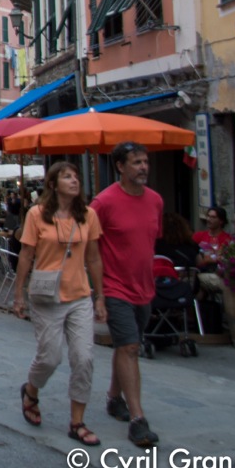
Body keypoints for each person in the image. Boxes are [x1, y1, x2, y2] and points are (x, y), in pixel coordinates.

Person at [13, 162, 106, 447]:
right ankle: (31, 391)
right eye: (67, 177)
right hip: (46, 297)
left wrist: (100, 296)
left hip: (79, 295)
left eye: (76, 176)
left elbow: (93, 258)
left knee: (84, 358)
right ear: (53, 184)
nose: (74, 181)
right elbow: (26, 255)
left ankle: (77, 422)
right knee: (50, 357)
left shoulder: (88, 215)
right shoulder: (37, 214)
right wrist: (19, 295)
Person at [90, 141, 162, 448]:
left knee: (126, 346)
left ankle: (113, 397)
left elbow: (149, 243)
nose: (143, 167)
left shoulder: (155, 201)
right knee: (130, 346)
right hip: (114, 287)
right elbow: (90, 248)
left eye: (145, 162)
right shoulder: (103, 203)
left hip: (144, 288)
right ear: (120, 167)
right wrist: (99, 293)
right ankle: (137, 419)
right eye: (136, 162)